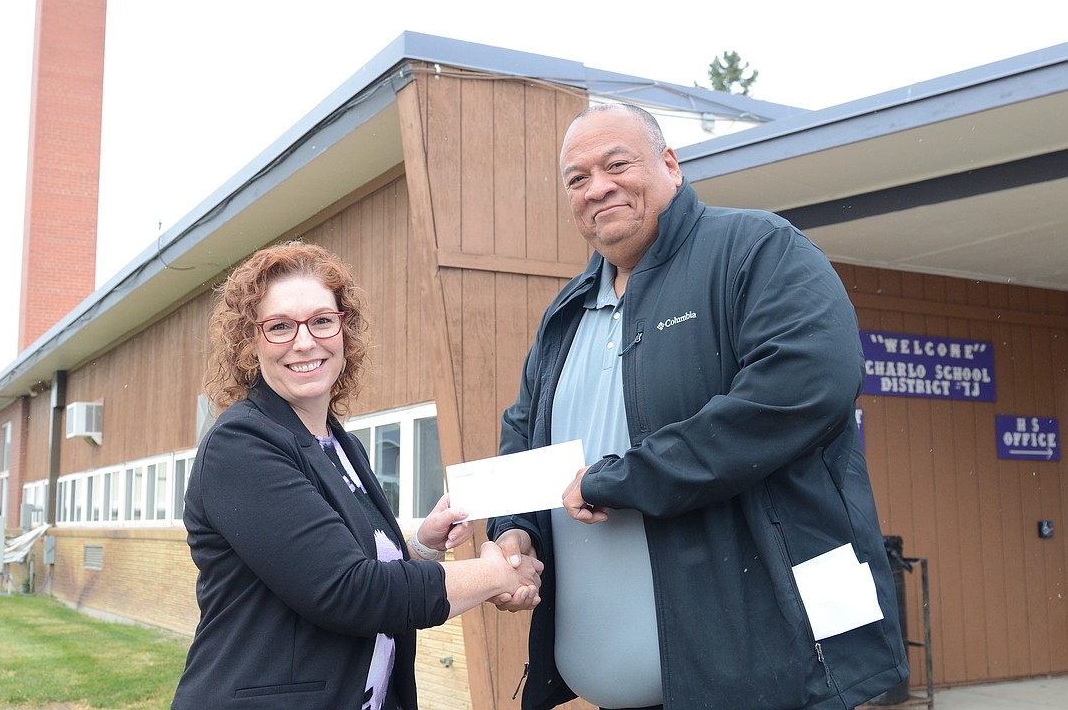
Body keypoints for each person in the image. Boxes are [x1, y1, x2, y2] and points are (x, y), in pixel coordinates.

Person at [487, 104, 908, 710]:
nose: (597, 187)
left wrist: (629, 478)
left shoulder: (756, 250)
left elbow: (806, 383)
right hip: (607, 692)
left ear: (669, 165)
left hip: (766, 680)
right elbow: (524, 433)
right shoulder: (568, 312)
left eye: (616, 164)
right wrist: (513, 529)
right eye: (577, 179)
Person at [172, 241, 542, 710]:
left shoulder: (339, 444)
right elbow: (348, 592)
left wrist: (422, 546)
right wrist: (494, 574)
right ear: (250, 341)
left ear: (343, 331)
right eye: (280, 327)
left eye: (322, 321)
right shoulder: (241, 446)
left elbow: (355, 567)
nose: (304, 342)